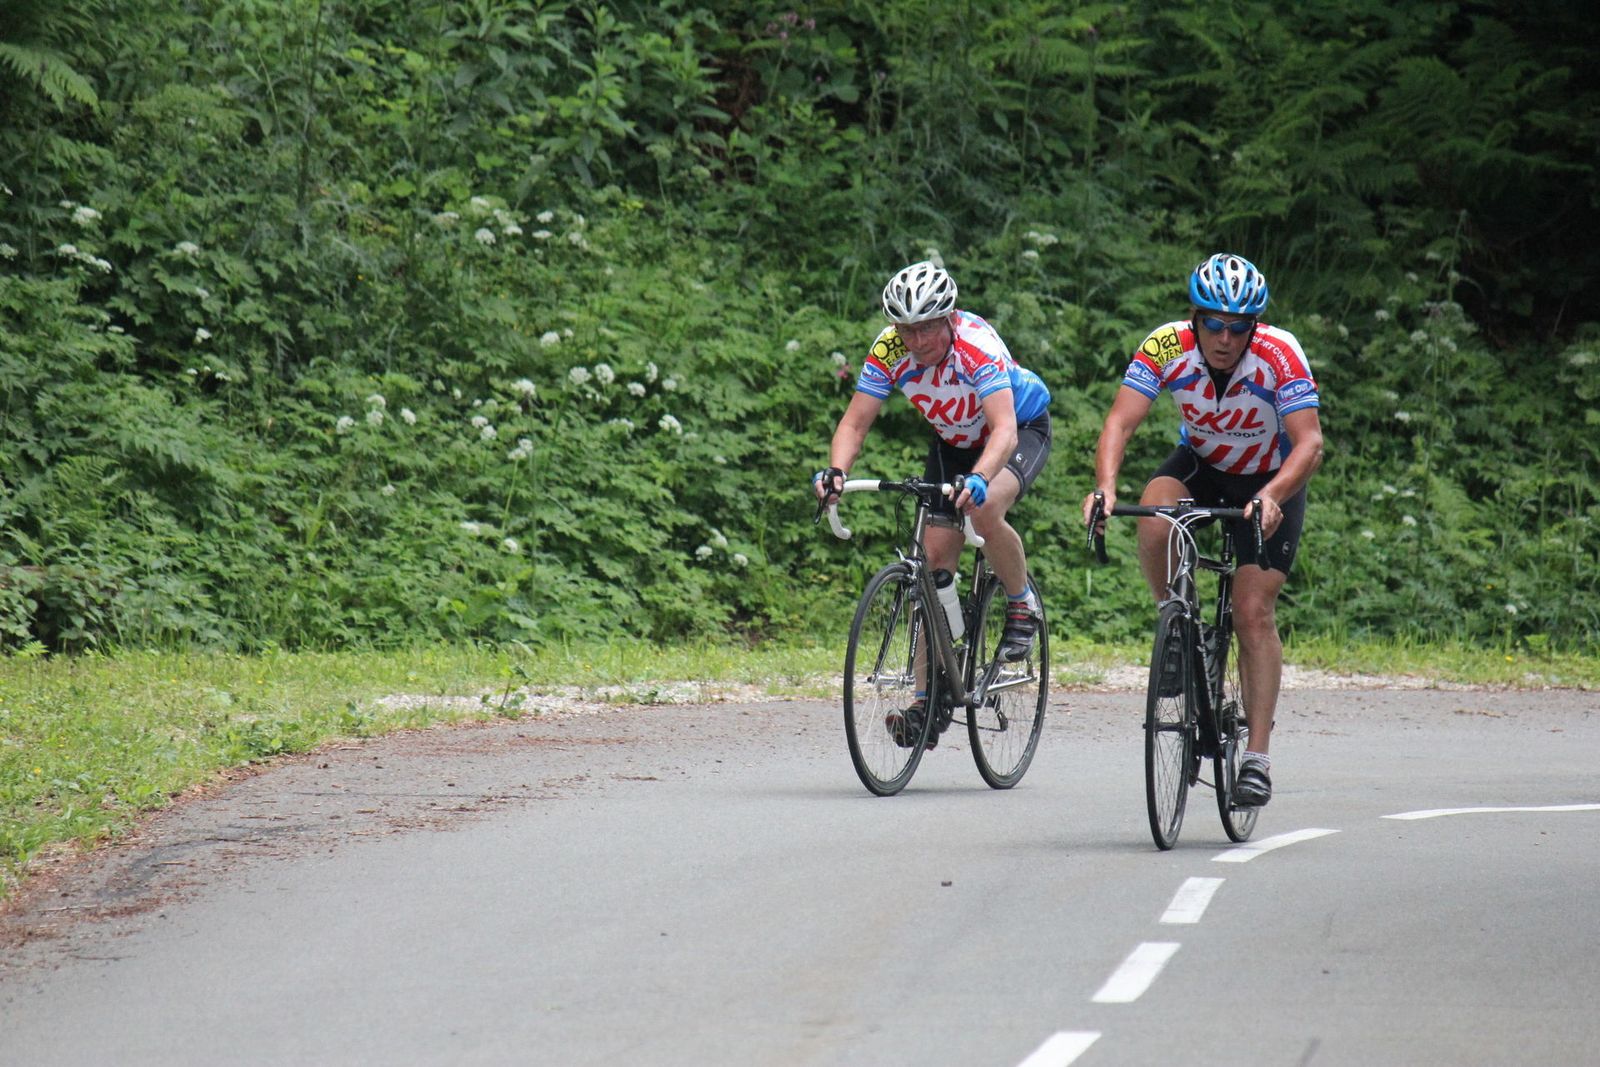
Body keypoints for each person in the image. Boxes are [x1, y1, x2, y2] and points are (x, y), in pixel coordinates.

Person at [1081, 253, 1324, 806]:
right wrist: (1105, 487)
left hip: (1269, 479)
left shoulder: (1279, 353)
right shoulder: (1166, 345)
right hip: (1203, 465)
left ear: (1254, 326)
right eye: (1213, 324)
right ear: (1195, 319)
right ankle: (1175, 622)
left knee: (1252, 612)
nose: (1225, 338)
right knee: (1154, 513)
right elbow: (1120, 421)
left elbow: (1310, 444)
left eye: (1238, 327)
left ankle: (1257, 758)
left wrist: (1272, 495)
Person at [815, 261, 1052, 744]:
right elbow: (855, 423)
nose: (917, 341)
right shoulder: (889, 350)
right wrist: (837, 471)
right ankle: (926, 703)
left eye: (927, 328)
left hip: (1017, 430)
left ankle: (1021, 604)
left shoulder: (975, 346)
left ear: (949, 318)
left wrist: (982, 478)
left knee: (984, 508)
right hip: (954, 442)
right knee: (928, 566)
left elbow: (1004, 431)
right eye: (907, 330)